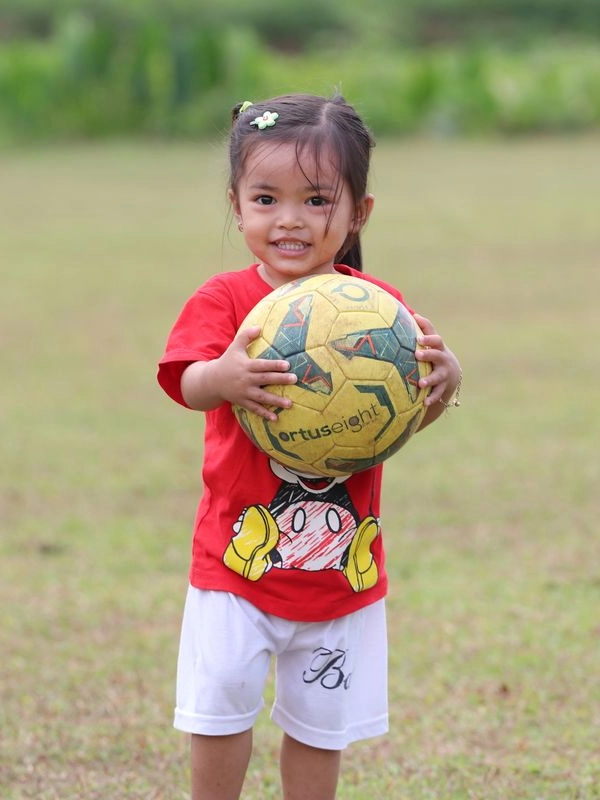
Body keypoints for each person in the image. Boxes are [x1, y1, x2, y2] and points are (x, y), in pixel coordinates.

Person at [157, 93, 462, 800]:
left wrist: (443, 386)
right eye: (266, 198)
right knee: (220, 707)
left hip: (340, 577)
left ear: (359, 213)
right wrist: (224, 376)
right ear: (238, 205)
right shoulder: (227, 302)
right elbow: (185, 381)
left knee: (320, 728)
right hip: (237, 563)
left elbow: (393, 423)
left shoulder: (377, 311)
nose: (288, 219)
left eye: (316, 199)